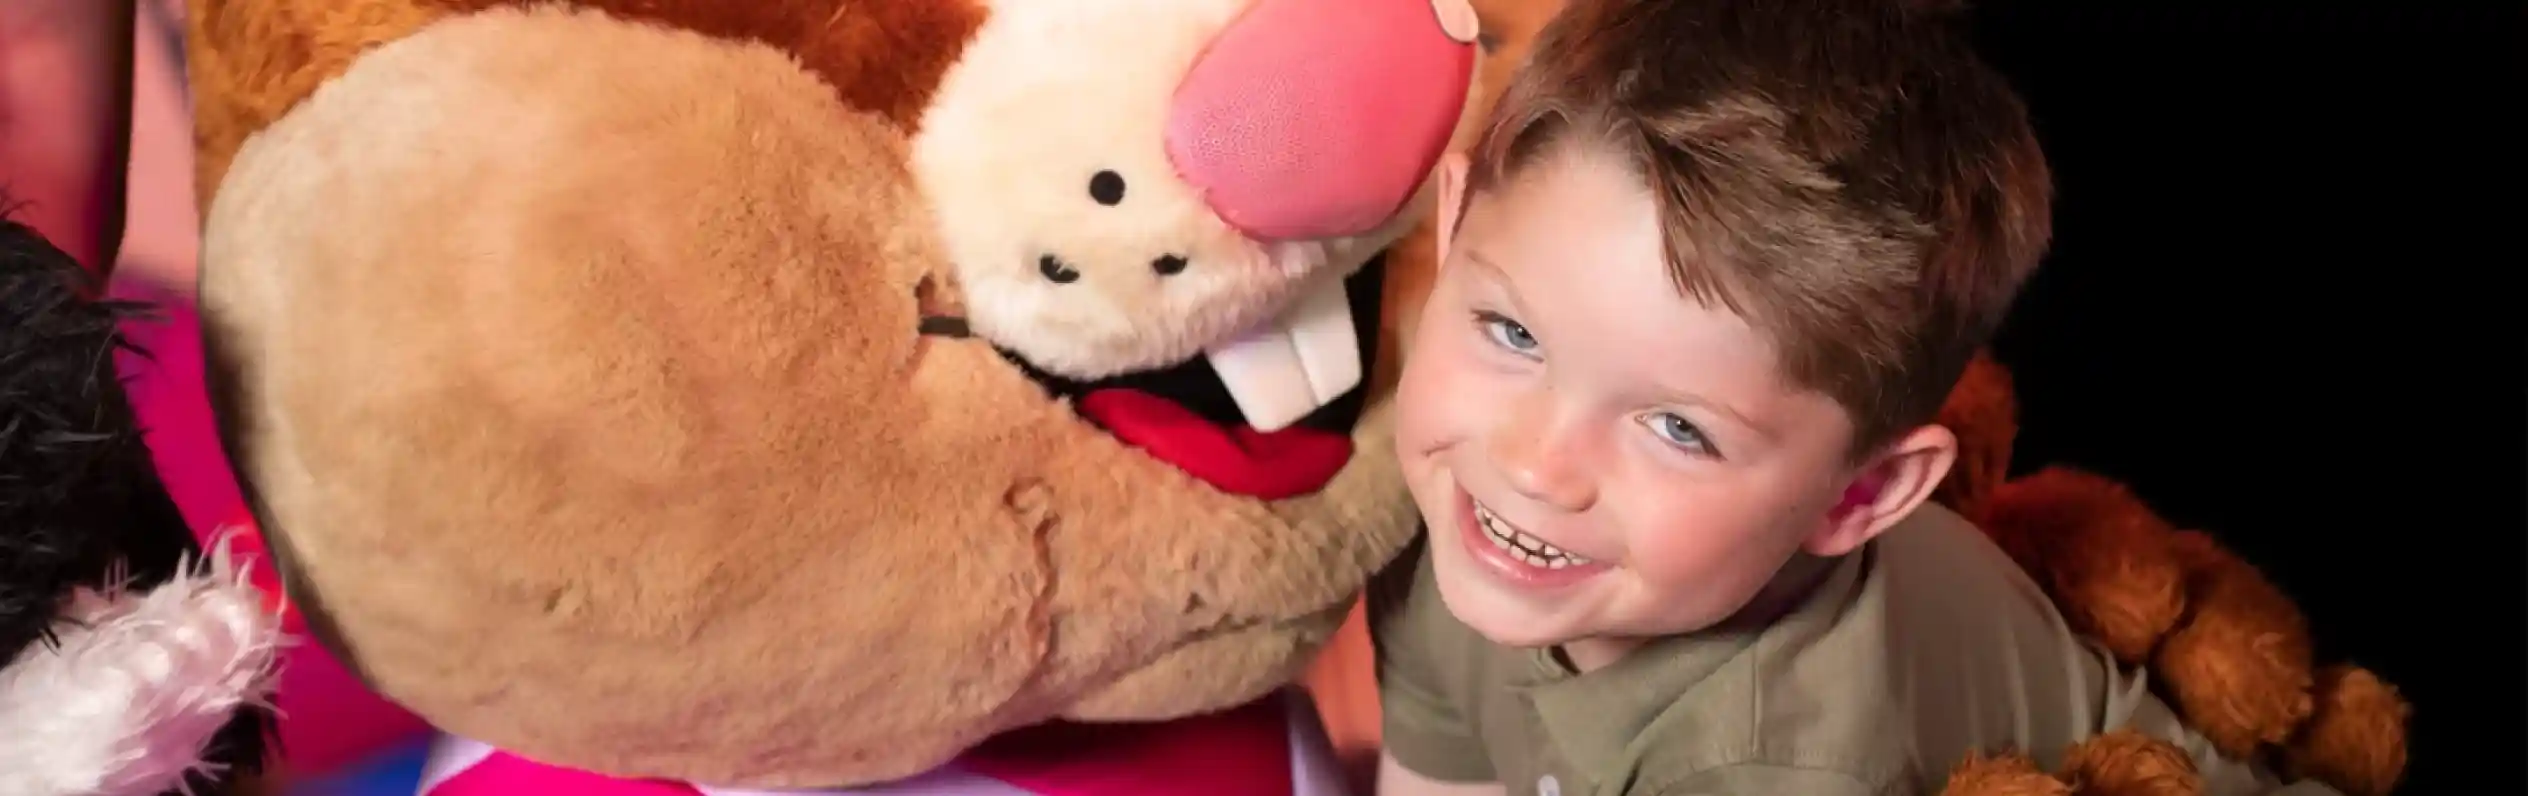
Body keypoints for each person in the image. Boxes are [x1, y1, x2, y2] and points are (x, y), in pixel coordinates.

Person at [1367, 0, 2339, 794]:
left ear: (1858, 496)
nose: (1532, 464)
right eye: (1512, 333)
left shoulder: (1776, 765)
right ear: (1448, 236)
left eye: (1676, 428)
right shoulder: (1460, 528)